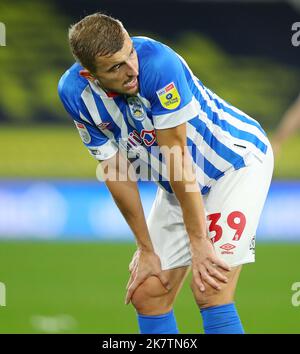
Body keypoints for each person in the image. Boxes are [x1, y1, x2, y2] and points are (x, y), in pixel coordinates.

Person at [58, 13, 274, 334]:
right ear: (89, 74)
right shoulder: (75, 94)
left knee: (210, 288)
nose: (131, 69)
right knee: (149, 292)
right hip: (180, 184)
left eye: (130, 53)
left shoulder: (159, 65)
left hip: (235, 165)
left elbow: (177, 157)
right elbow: (116, 170)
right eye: (115, 67)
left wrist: (200, 242)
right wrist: (145, 249)